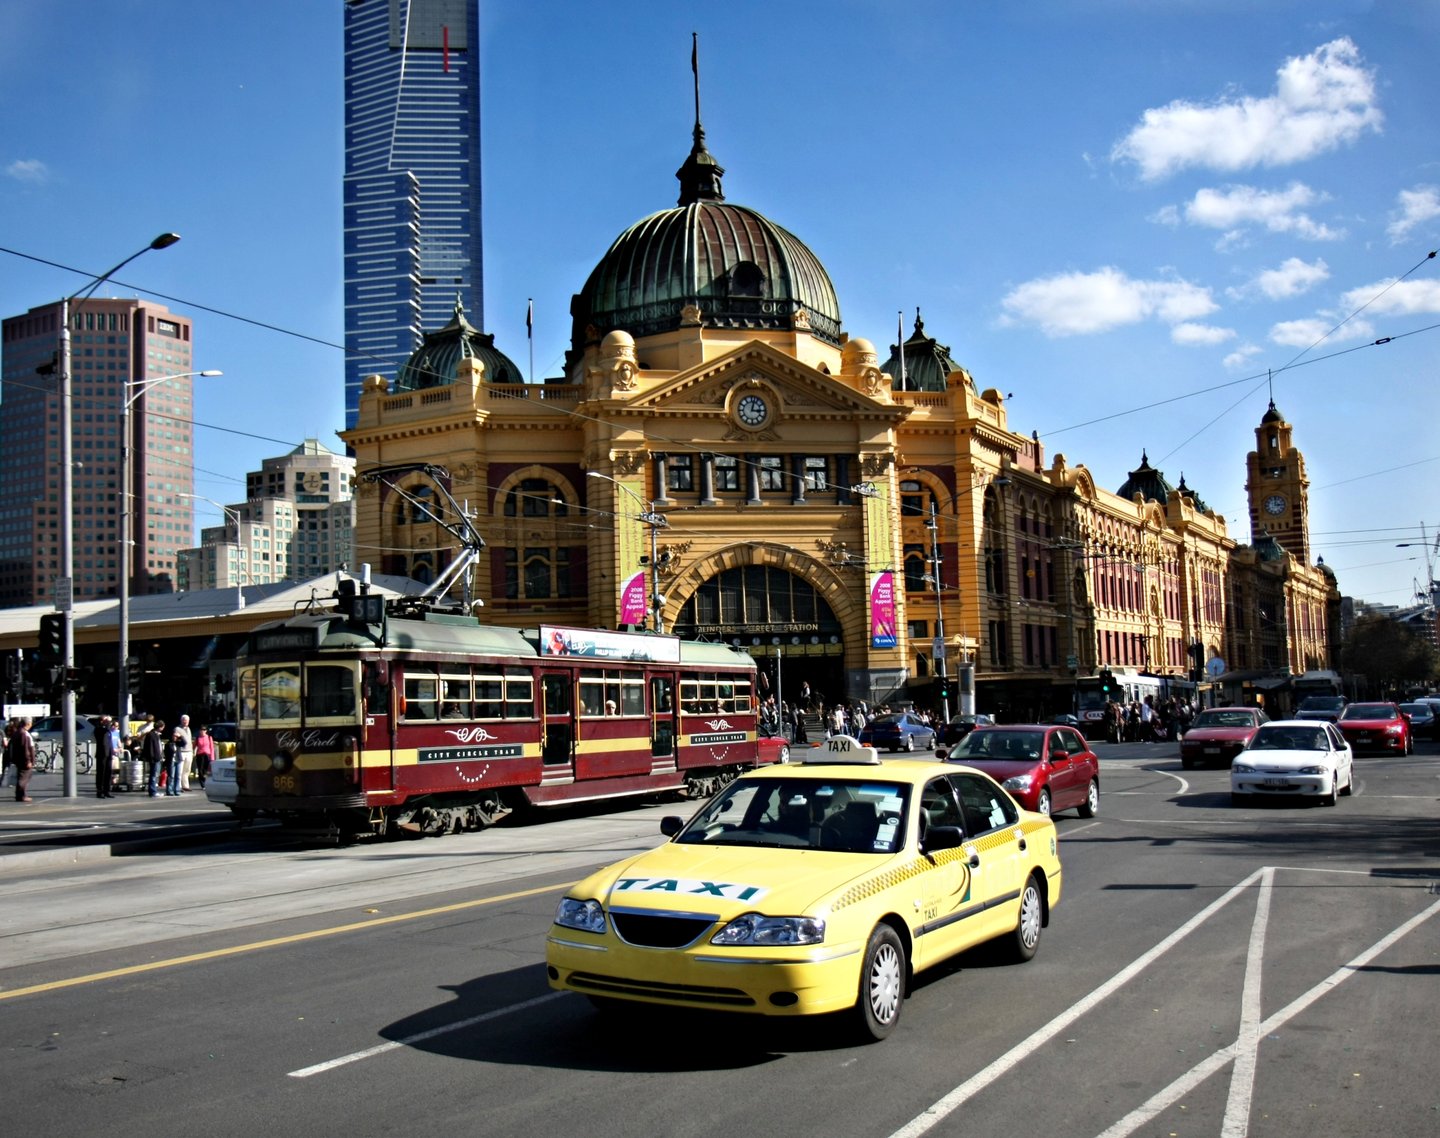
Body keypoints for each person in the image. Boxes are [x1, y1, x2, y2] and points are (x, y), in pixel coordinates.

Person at [7, 716, 36, 803]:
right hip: (24, 760)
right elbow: (25, 748)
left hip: (19, 759)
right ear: (28, 724)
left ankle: (20, 794)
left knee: (23, 776)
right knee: (24, 778)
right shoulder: (23, 734)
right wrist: (28, 761)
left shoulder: (18, 732)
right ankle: (21, 795)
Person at [94, 715, 116, 798]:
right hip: (101, 754)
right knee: (101, 773)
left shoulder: (107, 730)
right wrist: (107, 723)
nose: (108, 722)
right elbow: (104, 732)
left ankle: (107, 790)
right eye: (105, 720)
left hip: (108, 753)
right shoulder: (98, 729)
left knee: (108, 772)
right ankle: (100, 791)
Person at [143, 718, 166, 797]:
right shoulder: (151, 735)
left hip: (158, 757)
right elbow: (150, 748)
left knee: (155, 774)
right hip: (154, 758)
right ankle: (152, 791)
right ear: (160, 727)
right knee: (153, 775)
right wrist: (152, 757)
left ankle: (154, 790)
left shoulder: (156, 735)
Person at [172, 714, 193, 792]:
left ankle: (185, 785)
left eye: (187, 720)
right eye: (184, 720)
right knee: (180, 770)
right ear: (181, 721)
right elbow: (175, 739)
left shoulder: (189, 729)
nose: (186, 722)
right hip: (181, 751)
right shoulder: (177, 728)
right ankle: (179, 786)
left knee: (187, 770)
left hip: (189, 751)